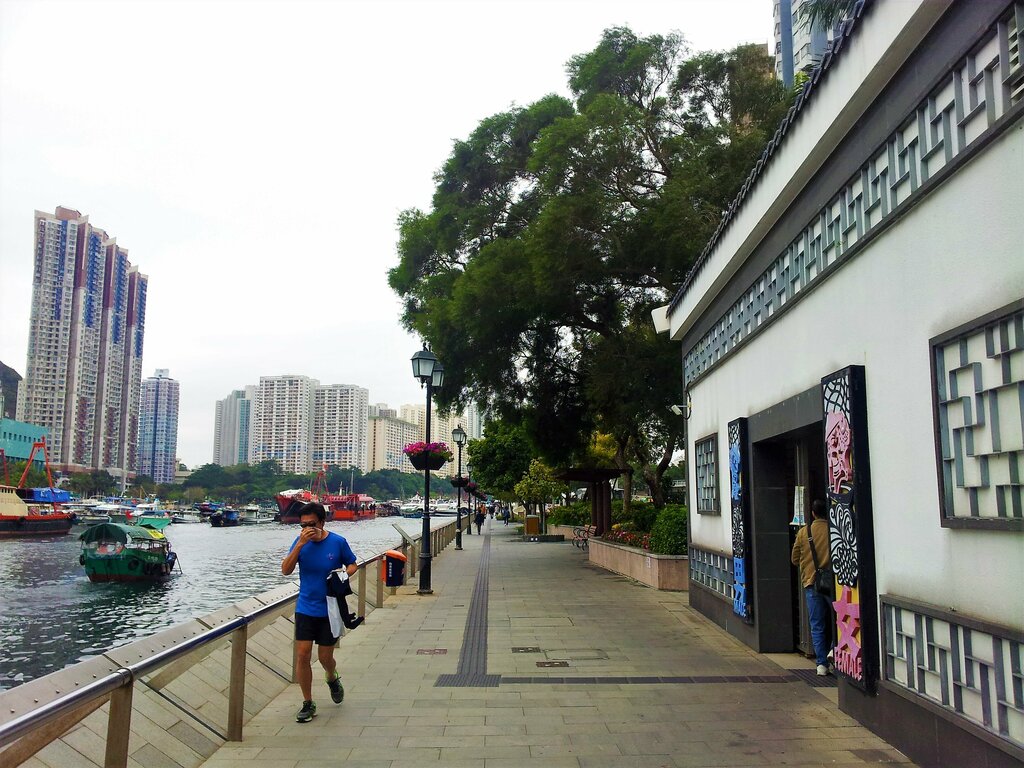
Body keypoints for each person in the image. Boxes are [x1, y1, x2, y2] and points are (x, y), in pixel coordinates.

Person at [281, 502, 358, 722]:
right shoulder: (300, 543)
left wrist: (342, 574)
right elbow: (285, 570)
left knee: (325, 657)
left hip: (330, 608)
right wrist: (299, 546)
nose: (307, 529)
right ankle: (308, 702)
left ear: (322, 522)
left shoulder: (337, 542)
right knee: (303, 654)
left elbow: (352, 564)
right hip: (306, 606)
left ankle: (332, 677)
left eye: (312, 524)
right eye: (303, 525)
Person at [791, 498, 833, 676]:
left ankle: (821, 664)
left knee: (817, 624)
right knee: (839, 620)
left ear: (813, 513)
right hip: (832, 583)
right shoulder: (834, 530)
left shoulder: (804, 532)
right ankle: (834, 650)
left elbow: (794, 558)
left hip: (811, 583)